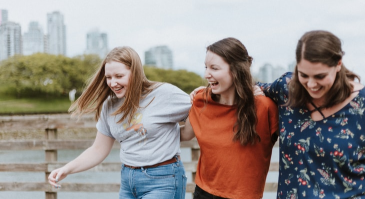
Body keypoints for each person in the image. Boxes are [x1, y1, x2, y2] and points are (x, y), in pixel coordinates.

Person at [48, 46, 191, 199]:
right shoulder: (109, 105)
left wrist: (180, 134)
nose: (113, 83)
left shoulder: (164, 94)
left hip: (163, 180)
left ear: (135, 73)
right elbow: (98, 150)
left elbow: (201, 111)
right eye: (108, 77)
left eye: (119, 76)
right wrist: (66, 169)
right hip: (128, 181)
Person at [256, 30, 365, 198]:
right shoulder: (287, 88)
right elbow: (252, 89)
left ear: (338, 64)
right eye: (303, 75)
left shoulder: (361, 105)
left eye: (320, 76)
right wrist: (206, 94)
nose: (311, 84)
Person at [181, 37, 279, 199]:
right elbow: (184, 134)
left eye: (214, 68)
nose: (207, 74)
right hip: (203, 193)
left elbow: (295, 143)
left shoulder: (265, 107)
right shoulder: (200, 100)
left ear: (236, 70)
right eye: (206, 67)